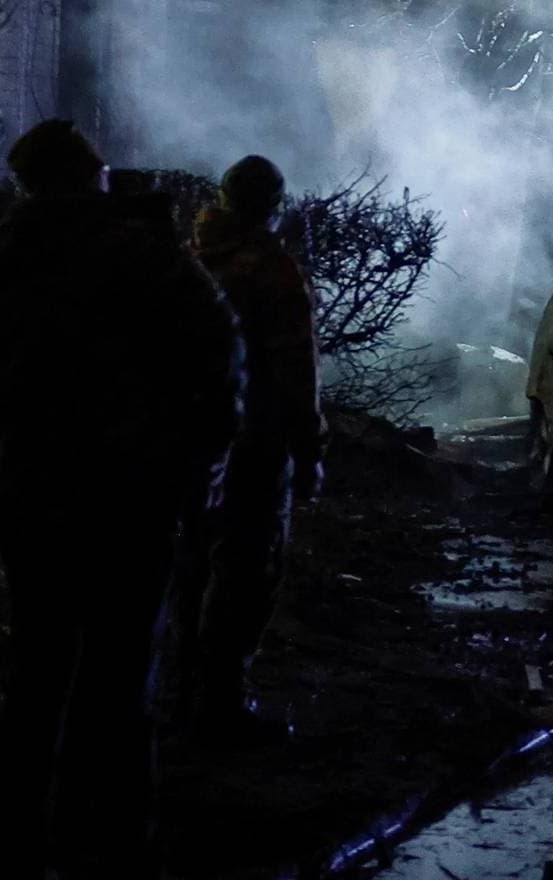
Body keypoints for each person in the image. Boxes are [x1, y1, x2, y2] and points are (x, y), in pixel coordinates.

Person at [0, 120, 242, 878]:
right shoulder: (156, 258)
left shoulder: (4, 263)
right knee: (124, 672)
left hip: (40, 496)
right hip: (138, 499)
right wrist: (200, 467)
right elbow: (220, 363)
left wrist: (17, 414)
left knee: (40, 671)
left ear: (29, 184)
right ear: (94, 176)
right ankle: (117, 840)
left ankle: (21, 838)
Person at [182, 155, 326, 738]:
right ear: (273, 204)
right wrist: (311, 451)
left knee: (188, 567)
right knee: (247, 570)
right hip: (257, 443)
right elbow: (297, 369)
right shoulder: (271, 270)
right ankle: (220, 701)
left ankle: (176, 692)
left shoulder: (189, 261)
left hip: (189, 442)